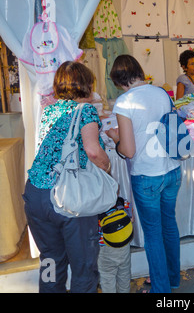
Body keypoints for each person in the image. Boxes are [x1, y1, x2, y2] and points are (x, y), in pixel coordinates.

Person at [23, 61, 110, 293]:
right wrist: (107, 167)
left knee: (50, 259)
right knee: (83, 267)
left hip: (35, 194)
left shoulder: (50, 109)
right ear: (86, 85)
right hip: (68, 197)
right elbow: (92, 151)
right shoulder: (85, 111)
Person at [106, 54, 182, 293]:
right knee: (169, 225)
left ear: (119, 80)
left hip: (146, 174)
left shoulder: (124, 102)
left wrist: (115, 138)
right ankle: (172, 279)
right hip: (172, 169)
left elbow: (128, 150)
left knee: (153, 234)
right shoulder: (161, 92)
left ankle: (161, 290)